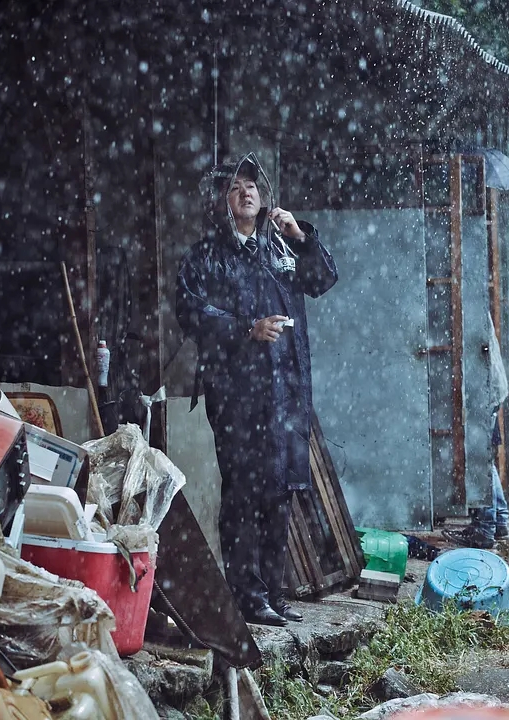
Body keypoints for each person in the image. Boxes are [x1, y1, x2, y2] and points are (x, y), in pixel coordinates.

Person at [176, 153, 337, 626]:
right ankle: (247, 594)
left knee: (281, 491)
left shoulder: (281, 249)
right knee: (245, 490)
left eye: (252, 186)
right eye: (236, 188)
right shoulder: (208, 256)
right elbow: (189, 311)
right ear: (221, 203)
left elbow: (324, 279)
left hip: (287, 391)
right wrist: (246, 328)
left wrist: (300, 235)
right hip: (237, 394)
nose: (247, 192)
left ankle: (273, 591)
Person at [443, 313, 509, 549]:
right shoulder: (475, 305)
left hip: (485, 388)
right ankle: (499, 520)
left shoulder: (470, 307)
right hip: (489, 386)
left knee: (479, 459)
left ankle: (485, 528)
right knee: (484, 458)